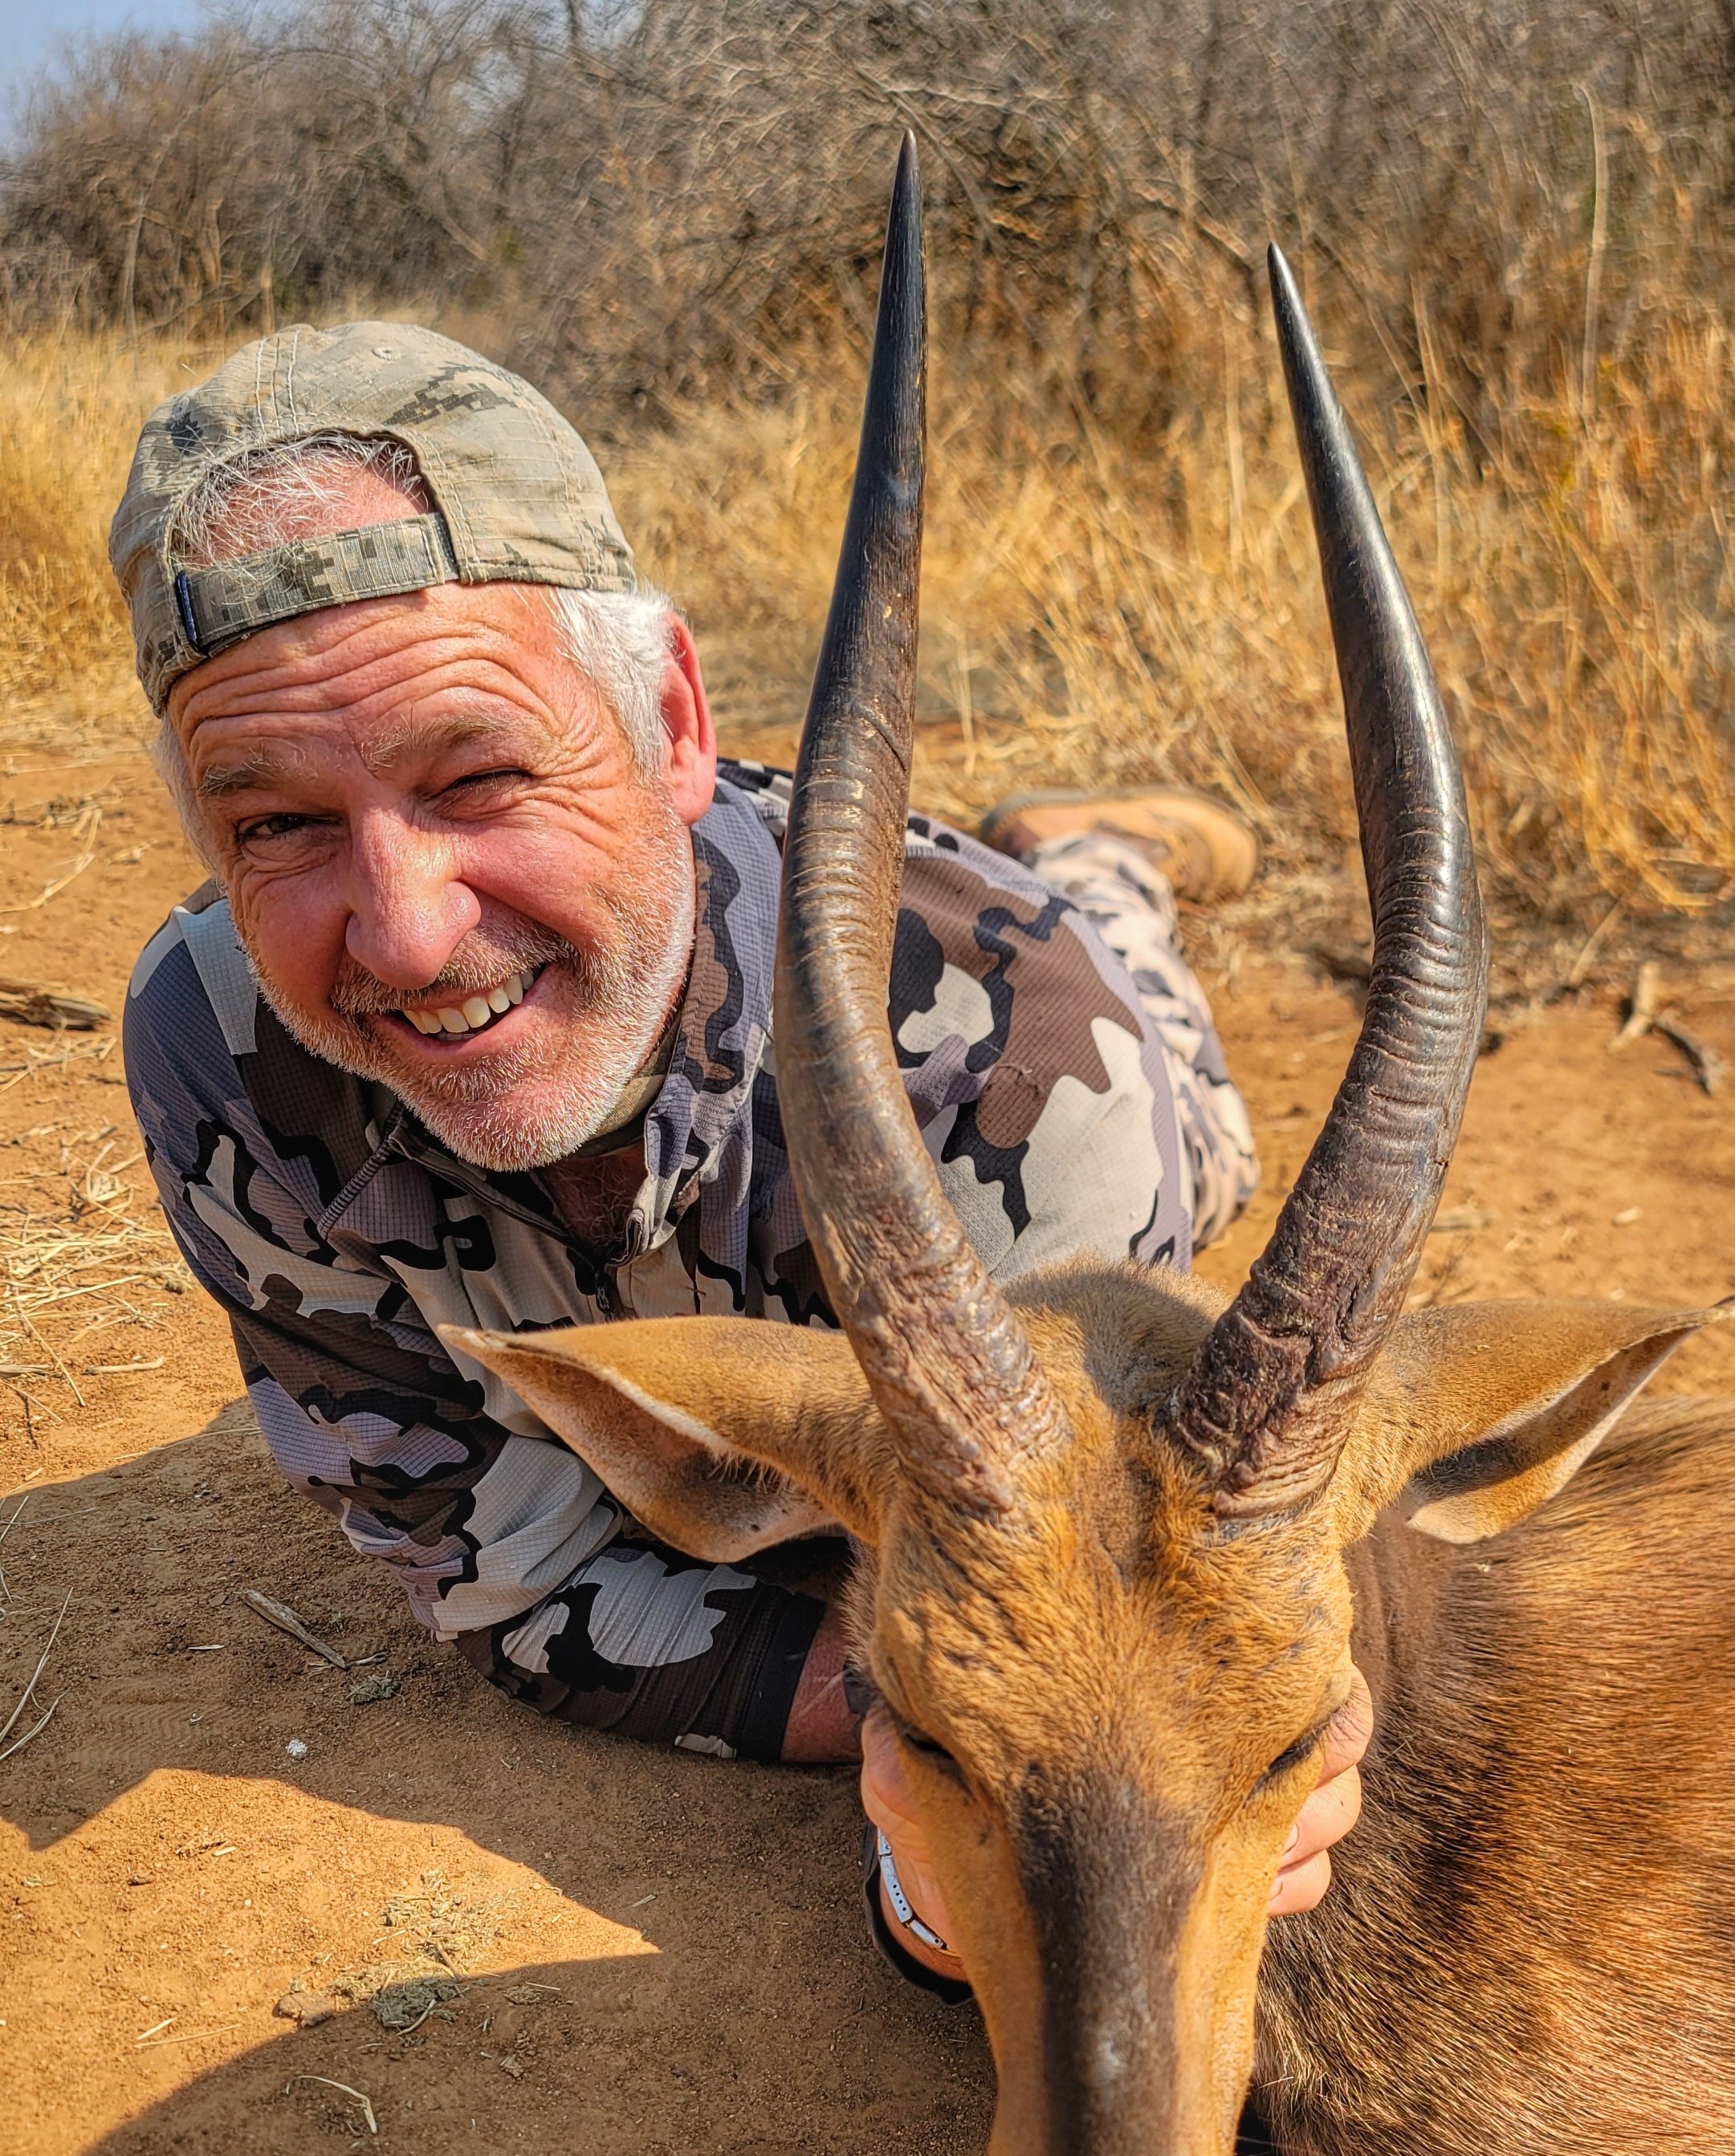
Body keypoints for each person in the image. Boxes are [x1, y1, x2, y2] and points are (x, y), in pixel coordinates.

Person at [114, 319, 1367, 1996]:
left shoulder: (1020, 1061)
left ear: (674, 720)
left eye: (478, 774)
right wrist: (937, 1709)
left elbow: (1109, 1628)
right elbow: (517, 1580)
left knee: (1137, 1006)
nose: (406, 937)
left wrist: (1107, 1717)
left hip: (1072, 1043)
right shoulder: (217, 1038)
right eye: (275, 823)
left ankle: (1099, 858)